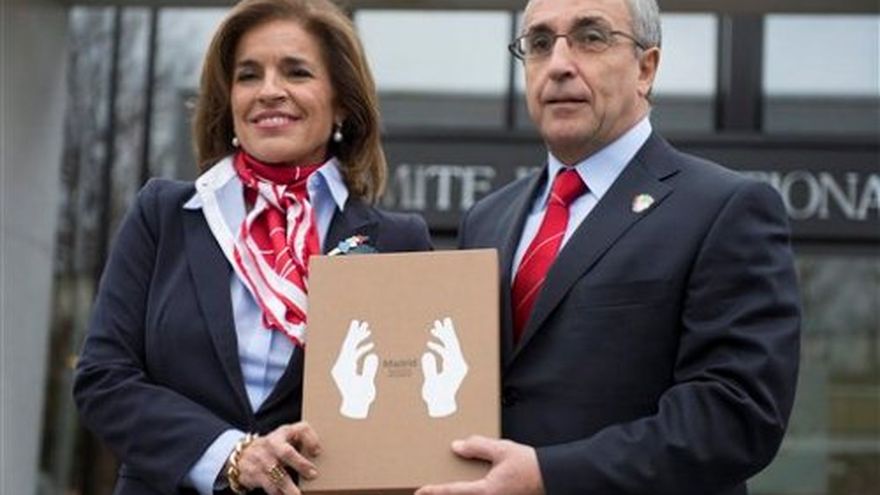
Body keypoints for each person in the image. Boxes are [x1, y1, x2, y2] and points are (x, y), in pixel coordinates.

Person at [416, 0, 800, 494]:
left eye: (591, 38)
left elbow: (734, 417)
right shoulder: (487, 219)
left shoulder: (726, 208)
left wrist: (549, 475)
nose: (558, 64)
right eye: (539, 43)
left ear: (646, 68)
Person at [73, 1, 432, 494]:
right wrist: (231, 455)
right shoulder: (163, 216)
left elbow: (409, 412)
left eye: (297, 72)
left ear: (342, 103)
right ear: (230, 101)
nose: (269, 91)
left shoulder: (397, 242)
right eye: (248, 76)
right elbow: (103, 379)